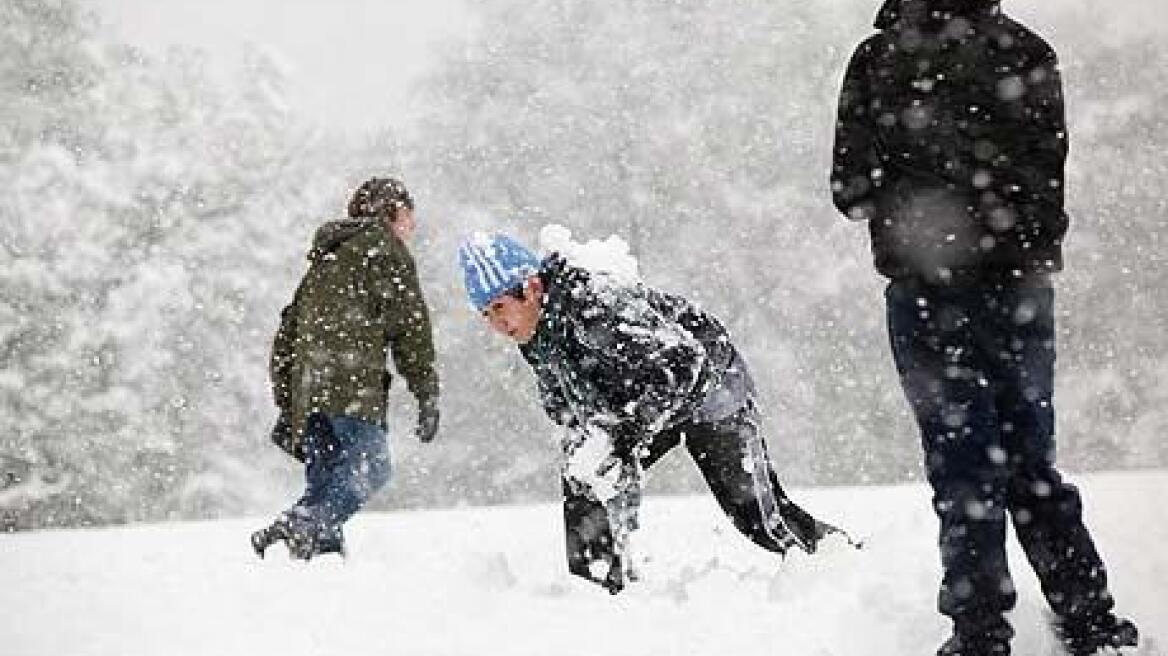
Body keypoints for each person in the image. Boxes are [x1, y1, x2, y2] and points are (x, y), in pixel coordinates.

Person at [830, 2, 1139, 654]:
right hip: (1016, 291)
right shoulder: (1026, 52)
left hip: (924, 295)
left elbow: (850, 190)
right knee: (1030, 463)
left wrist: (917, 201)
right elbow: (1045, 188)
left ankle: (979, 634)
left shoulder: (877, 59)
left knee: (961, 464)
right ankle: (1089, 622)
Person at [457, 232, 845, 594]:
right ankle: (599, 594)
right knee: (584, 474)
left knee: (758, 517)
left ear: (532, 288)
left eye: (499, 308)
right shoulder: (534, 333)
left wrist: (630, 432)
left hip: (709, 386)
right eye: (486, 315)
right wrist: (587, 441)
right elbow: (563, 400)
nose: (497, 324)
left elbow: (684, 366)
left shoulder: (593, 306)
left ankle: (848, 562)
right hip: (642, 405)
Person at [251, 177, 440, 560]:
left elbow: (287, 335)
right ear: (391, 214)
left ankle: (317, 552)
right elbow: (410, 330)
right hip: (351, 387)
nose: (412, 227)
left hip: (310, 391)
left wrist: (288, 401)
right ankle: (304, 525)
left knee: (326, 480)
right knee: (372, 468)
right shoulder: (386, 251)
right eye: (408, 216)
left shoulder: (324, 260)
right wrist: (426, 392)